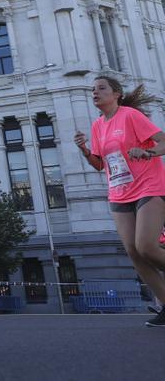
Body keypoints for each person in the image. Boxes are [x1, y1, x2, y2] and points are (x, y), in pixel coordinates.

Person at [73, 76, 165, 327]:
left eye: (101, 88)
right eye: (93, 89)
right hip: (119, 191)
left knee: (146, 246)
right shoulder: (97, 125)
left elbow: (163, 141)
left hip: (148, 186)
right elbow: (100, 164)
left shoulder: (130, 116)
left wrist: (147, 152)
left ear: (116, 94)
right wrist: (84, 150)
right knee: (134, 252)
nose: (95, 92)